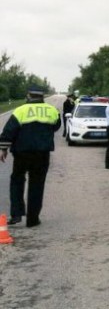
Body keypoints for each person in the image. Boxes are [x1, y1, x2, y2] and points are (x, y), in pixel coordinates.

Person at [0, 85, 61, 227]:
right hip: (42, 154)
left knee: (17, 181)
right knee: (37, 184)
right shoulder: (52, 110)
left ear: (29, 96)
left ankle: (16, 215)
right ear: (42, 96)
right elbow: (56, 126)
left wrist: (3, 149)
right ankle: (33, 220)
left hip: (22, 153)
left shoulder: (20, 110)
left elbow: (9, 131)